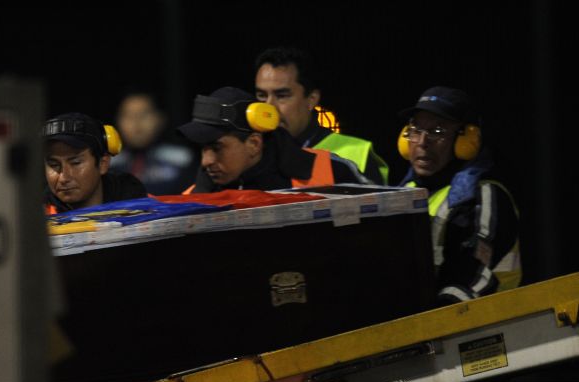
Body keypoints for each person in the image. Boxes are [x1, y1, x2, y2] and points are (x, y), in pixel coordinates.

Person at [397, 86, 521, 304]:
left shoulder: (485, 195)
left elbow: (474, 275)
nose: (422, 142)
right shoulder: (402, 195)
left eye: (437, 132)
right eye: (415, 129)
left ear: (466, 140)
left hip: (487, 327)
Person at [177, 86, 370, 193]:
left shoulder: (331, 172)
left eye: (217, 148)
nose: (206, 161)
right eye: (203, 149)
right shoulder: (192, 199)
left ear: (254, 144)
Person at [254, 46, 389, 185]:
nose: (269, 108)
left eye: (282, 96)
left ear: (311, 99)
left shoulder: (358, 153)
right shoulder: (248, 155)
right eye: (261, 96)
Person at [43, 112, 146, 214]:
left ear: (103, 163)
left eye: (75, 163)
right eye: (54, 165)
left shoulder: (147, 209)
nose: (63, 178)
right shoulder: (35, 218)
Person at [109, 90, 199, 195]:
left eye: (144, 115)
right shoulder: (108, 164)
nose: (136, 124)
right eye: (129, 116)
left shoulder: (182, 159)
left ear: (160, 119)